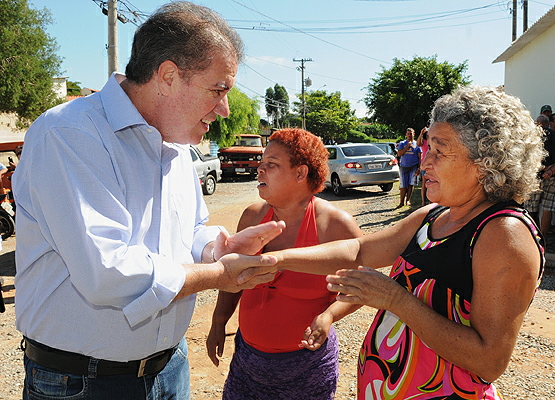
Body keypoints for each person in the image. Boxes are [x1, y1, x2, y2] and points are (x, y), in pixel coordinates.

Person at [12, 3, 285, 400]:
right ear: (168, 76)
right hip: (83, 383)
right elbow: (108, 271)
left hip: (169, 368)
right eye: (219, 89)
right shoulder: (70, 133)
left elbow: (187, 231)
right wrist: (220, 275)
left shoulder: (173, 143)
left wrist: (216, 248)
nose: (224, 108)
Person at [257, 86, 545, 399]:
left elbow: (489, 361)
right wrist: (275, 259)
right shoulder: (436, 215)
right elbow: (359, 251)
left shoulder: (504, 235)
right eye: (427, 149)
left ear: (485, 162)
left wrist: (395, 299)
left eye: (439, 151)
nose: (424, 163)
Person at [206, 128, 363, 399]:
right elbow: (233, 277)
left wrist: (330, 316)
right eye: (261, 162)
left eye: (271, 164)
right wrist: (219, 320)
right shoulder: (252, 217)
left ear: (300, 173)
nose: (260, 169)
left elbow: (364, 285)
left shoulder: (334, 225)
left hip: (308, 368)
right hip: (248, 363)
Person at [524, 114, 555, 236]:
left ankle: (531, 237)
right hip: (552, 176)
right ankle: (542, 238)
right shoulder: (554, 135)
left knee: (531, 208)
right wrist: (551, 170)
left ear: (537, 124)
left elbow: (527, 157)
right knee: (548, 208)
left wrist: (541, 169)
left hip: (535, 176)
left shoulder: (532, 136)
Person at [396, 127, 421, 208]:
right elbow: (399, 154)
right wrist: (407, 146)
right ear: (406, 135)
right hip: (404, 166)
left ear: (414, 134)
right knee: (403, 185)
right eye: (408, 134)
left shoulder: (417, 144)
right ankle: (401, 202)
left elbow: (419, 157)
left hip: (413, 166)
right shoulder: (402, 143)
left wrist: (419, 168)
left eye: (411, 133)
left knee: (411, 184)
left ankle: (408, 200)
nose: (409, 135)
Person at [416, 127, 429, 206]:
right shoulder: (423, 142)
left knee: (432, 182)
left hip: (431, 164)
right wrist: (421, 133)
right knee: (424, 184)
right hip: (424, 163)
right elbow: (418, 144)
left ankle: (431, 201)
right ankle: (423, 201)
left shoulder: (432, 141)